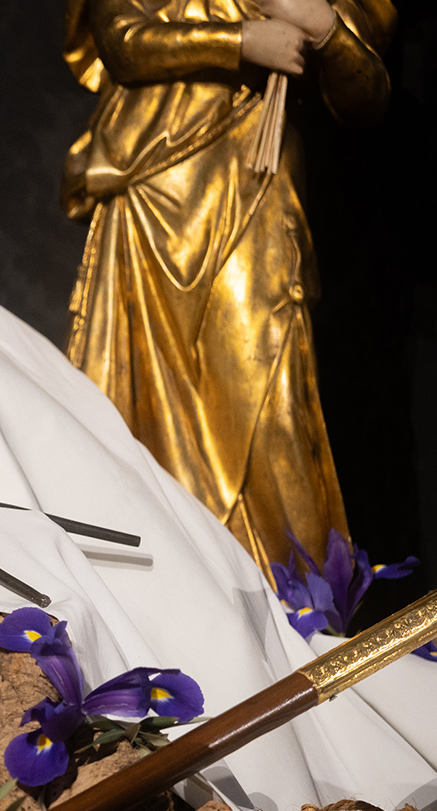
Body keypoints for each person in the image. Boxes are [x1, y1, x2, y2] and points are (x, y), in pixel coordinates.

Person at [62, 0, 396, 576]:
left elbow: (365, 93)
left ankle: (297, 605)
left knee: (270, 392)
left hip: (254, 184)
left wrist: (323, 27)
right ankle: (161, 593)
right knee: (136, 411)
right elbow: (120, 38)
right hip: (150, 187)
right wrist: (241, 40)